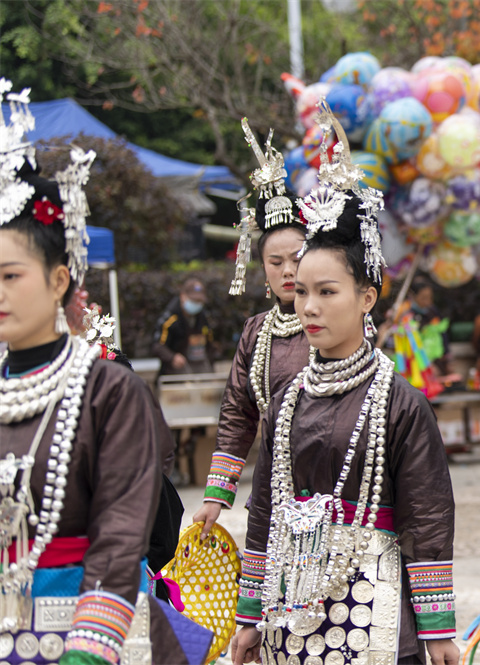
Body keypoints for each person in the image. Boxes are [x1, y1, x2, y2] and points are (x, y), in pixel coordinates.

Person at [230, 114, 459, 665]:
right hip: (291, 608)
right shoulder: (287, 400)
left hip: (373, 607)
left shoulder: (399, 402)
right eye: (303, 291)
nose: (309, 306)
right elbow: (264, 509)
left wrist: (437, 627)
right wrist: (248, 617)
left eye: (327, 291)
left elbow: (427, 515)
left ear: (366, 298)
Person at [0, 82, 207, 663]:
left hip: (92, 631)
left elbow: (121, 533)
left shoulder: (106, 390)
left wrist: (88, 650)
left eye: (11, 275)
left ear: (59, 280)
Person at [191, 119, 312, 535]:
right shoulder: (256, 332)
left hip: (338, 484)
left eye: (297, 258)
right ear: (263, 270)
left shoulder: (341, 320)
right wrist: (216, 495)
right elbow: (237, 412)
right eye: (276, 263)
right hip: (272, 488)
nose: (288, 270)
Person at [151, 277, 216, 375]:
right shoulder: (170, 318)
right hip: (175, 374)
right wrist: (172, 357)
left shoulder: (203, 317)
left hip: (200, 370)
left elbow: (209, 343)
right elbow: (157, 346)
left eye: (199, 301)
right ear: (182, 296)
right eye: (193, 300)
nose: (196, 304)